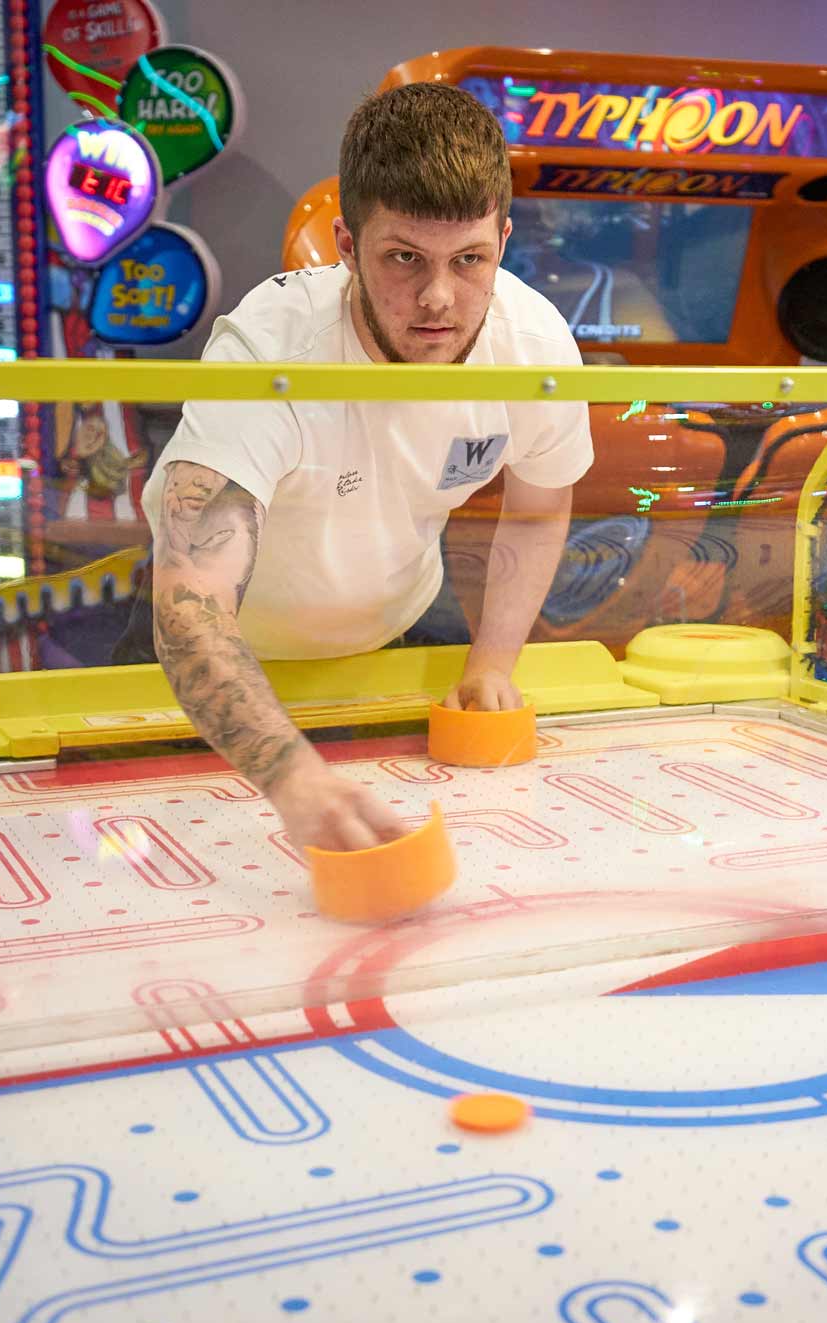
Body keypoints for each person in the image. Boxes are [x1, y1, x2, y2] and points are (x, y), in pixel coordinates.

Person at [136, 83, 592, 854]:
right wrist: (291, 772)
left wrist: (492, 663)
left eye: (470, 260)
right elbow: (189, 606)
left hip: (395, 632)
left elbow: (540, 503)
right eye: (404, 258)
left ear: (504, 241)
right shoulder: (270, 352)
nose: (439, 298)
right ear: (347, 245)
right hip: (226, 662)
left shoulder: (537, 346)